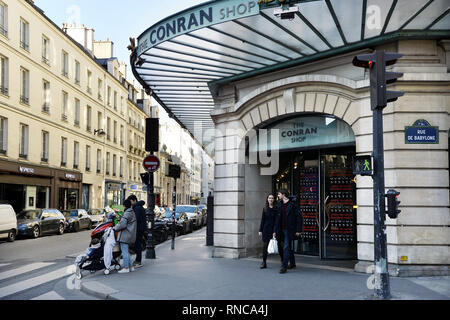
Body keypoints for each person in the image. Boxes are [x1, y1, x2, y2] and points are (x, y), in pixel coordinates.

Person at [275, 189, 302, 274]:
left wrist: (298, 229)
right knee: (287, 247)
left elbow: (299, 217)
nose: (278, 196)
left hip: (289, 229)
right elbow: (277, 218)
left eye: (279, 194)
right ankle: (293, 264)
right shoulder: (279, 204)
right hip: (280, 229)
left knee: (286, 247)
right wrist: (275, 230)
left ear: (283, 194)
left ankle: (284, 266)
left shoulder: (293, 204)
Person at [258, 194, 283, 269]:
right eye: (269, 198)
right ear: (267, 199)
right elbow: (263, 220)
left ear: (274, 200)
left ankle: (282, 261)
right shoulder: (265, 208)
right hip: (266, 229)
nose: (271, 199)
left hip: (275, 229)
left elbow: (277, 221)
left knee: (279, 246)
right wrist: (260, 230)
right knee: (265, 246)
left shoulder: (277, 208)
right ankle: (264, 262)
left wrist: (275, 231)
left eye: (272, 198)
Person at [114, 199, 137, 273]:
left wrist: (115, 228)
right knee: (126, 251)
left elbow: (122, 224)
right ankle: (131, 266)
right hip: (129, 234)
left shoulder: (127, 213)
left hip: (125, 235)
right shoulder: (131, 212)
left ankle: (126, 268)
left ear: (124, 206)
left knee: (124, 252)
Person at [127, 195, 147, 269]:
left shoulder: (137, 208)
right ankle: (138, 260)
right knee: (137, 244)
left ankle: (138, 261)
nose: (130, 203)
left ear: (134, 200)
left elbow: (136, 219)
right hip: (140, 228)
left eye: (131, 201)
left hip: (138, 229)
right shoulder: (138, 207)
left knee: (137, 244)